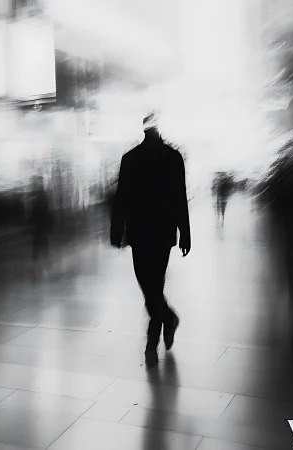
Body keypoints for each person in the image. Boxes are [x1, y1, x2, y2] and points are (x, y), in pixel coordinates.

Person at [111, 113, 191, 366]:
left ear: (144, 131)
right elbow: (180, 196)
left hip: (139, 232)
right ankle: (166, 320)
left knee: (149, 286)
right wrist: (185, 232)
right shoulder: (173, 157)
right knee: (154, 285)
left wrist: (117, 229)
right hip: (163, 231)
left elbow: (121, 197)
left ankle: (152, 340)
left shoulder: (130, 159)